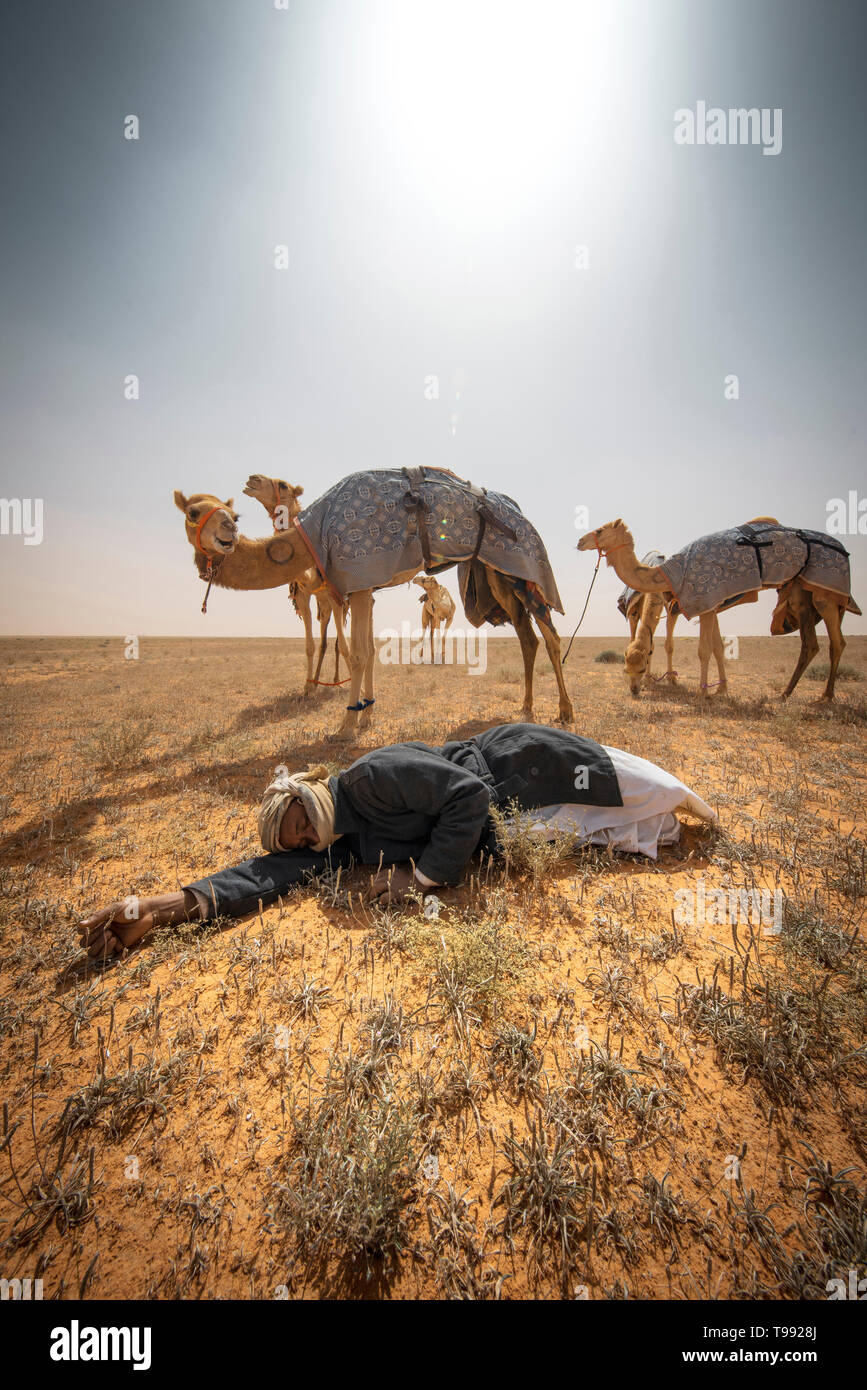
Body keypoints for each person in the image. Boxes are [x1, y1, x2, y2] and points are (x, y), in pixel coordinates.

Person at [77, 723, 716, 958]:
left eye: (296, 815)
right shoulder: (337, 844)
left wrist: (422, 878)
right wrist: (162, 907)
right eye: (295, 838)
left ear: (307, 790)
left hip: (519, 767)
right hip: (507, 826)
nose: (301, 834)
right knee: (638, 834)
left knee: (658, 794)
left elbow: (467, 795)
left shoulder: (368, 778)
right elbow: (261, 875)